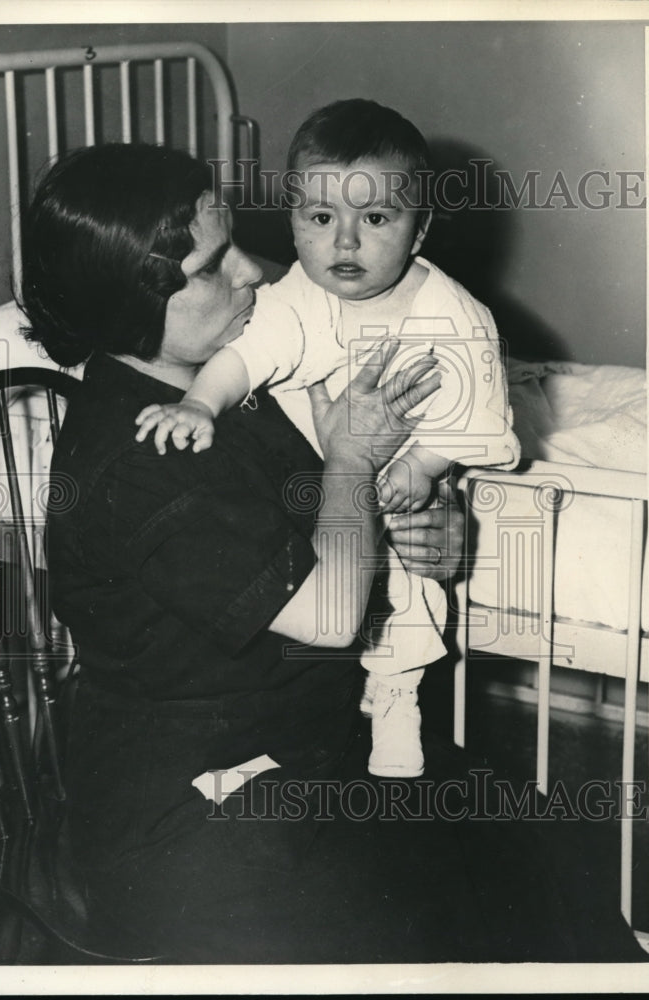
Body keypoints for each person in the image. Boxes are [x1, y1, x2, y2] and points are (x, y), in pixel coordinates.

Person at [20, 143, 645, 966]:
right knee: (436, 926)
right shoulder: (144, 460)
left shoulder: (224, 379)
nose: (256, 273)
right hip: (197, 811)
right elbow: (326, 613)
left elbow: (339, 524)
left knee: (542, 850)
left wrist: (434, 532)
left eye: (239, 241)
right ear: (137, 301)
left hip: (312, 747)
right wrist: (352, 459)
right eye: (215, 265)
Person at [133, 99, 521, 780]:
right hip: (318, 488)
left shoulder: (454, 318)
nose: (345, 244)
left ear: (419, 229)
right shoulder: (296, 301)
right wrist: (197, 402)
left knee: (407, 585)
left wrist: (425, 470)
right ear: (293, 221)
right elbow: (244, 360)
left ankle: (397, 692)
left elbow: (473, 412)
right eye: (320, 219)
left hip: (392, 474)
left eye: (375, 219)